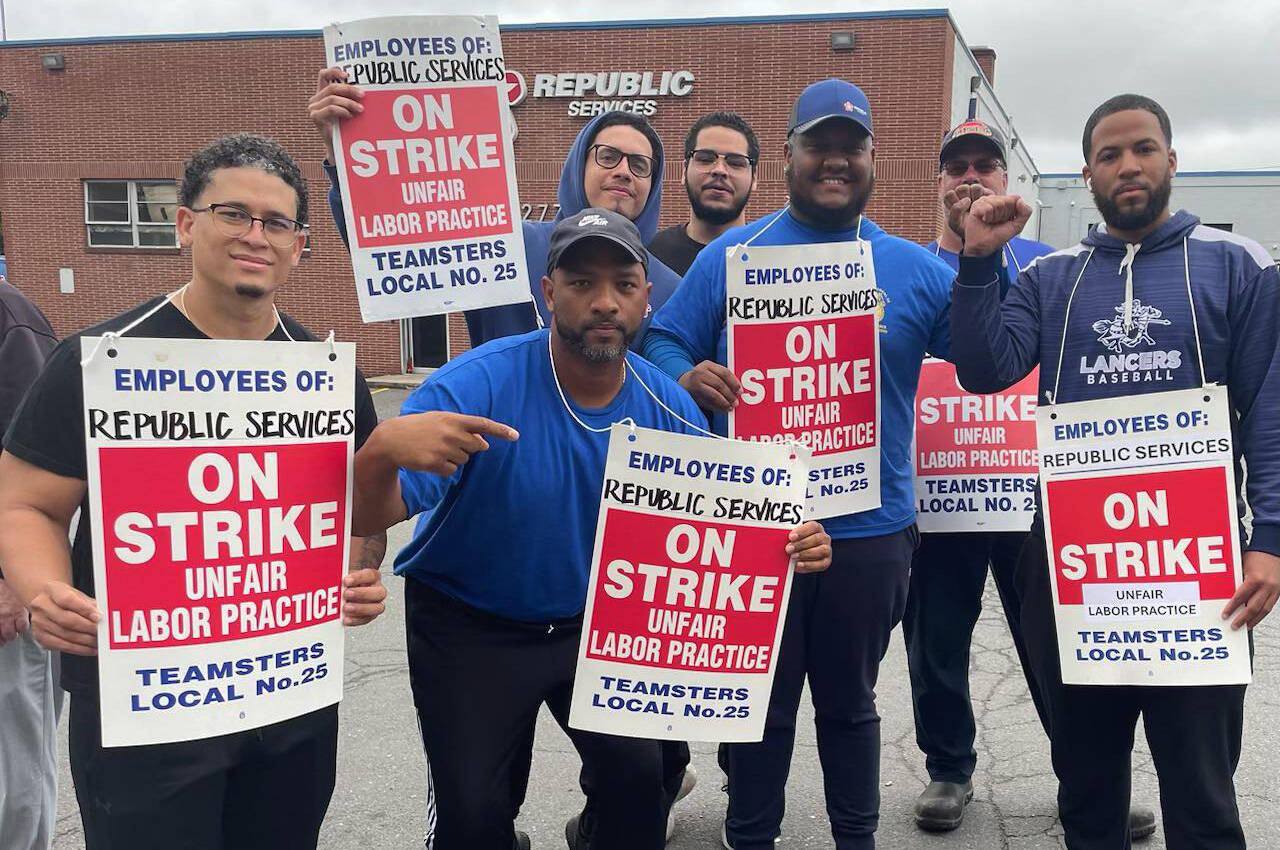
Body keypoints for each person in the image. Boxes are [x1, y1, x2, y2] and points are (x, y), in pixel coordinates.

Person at [349, 207, 833, 850]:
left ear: (646, 298)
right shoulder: (476, 383)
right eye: (581, 283)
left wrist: (795, 537)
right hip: (472, 623)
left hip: (599, 628)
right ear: (548, 293)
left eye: (623, 285)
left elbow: (730, 529)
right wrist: (378, 452)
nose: (604, 302)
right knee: (471, 818)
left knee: (643, 790)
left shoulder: (670, 405)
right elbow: (367, 514)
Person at [0, 134, 389, 850]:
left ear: (300, 244)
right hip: (145, 707)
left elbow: (358, 508)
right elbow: (27, 503)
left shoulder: (326, 372)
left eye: (276, 223)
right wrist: (42, 585)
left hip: (289, 701)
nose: (255, 236)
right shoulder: (100, 362)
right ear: (185, 223)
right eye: (232, 213)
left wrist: (360, 570)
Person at [949, 93, 1280, 849]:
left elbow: (1269, 410)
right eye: (1108, 154)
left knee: (1202, 790)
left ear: (1172, 159)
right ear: (1088, 174)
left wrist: (1271, 539)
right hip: (1073, 567)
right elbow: (982, 368)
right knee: (1089, 786)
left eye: (1142, 149)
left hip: (1197, 567)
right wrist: (979, 261)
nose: (1127, 165)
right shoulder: (1050, 278)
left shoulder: (1241, 267)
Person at [643, 78, 956, 850]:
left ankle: (857, 838)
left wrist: (983, 264)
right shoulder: (732, 255)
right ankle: (750, 835)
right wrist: (685, 374)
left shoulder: (911, 267)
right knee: (759, 706)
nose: (835, 161)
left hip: (871, 526)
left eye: (851, 148)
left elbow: (990, 353)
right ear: (788, 155)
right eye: (820, 146)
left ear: (873, 158)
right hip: (756, 522)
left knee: (850, 704)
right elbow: (659, 340)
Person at [308, 67, 682, 346]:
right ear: (577, 166)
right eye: (608, 156)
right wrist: (344, 155)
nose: (623, 172)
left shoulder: (670, 289)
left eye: (640, 165)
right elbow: (397, 242)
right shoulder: (507, 245)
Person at [0, 279, 59, 850]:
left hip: (5, 599)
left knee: (12, 781)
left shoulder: (8, 317)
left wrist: (11, 581)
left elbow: (35, 472)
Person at [648, 111, 760, 276]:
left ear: (754, 179)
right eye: (705, 159)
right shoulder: (649, 256)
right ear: (684, 170)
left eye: (735, 162)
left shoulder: (773, 258)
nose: (719, 170)